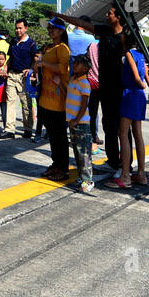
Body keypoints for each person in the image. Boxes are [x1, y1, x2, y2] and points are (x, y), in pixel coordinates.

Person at [111, 43, 149, 188]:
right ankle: (141, 174)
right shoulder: (141, 55)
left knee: (123, 133)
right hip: (139, 96)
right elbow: (147, 75)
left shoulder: (129, 54)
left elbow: (137, 77)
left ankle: (125, 176)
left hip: (130, 93)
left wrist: (141, 85)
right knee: (138, 134)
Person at [36, 18, 71, 181]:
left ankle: (62, 168)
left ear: (61, 31)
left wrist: (43, 64)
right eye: (49, 28)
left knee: (60, 137)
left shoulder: (62, 48)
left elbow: (63, 68)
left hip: (58, 100)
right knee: (53, 135)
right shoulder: (49, 47)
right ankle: (56, 164)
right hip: (45, 98)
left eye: (53, 28)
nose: (50, 30)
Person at [98, 6, 128, 170]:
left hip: (120, 89)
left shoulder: (125, 38)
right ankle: (112, 160)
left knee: (123, 129)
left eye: (109, 13)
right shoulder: (104, 31)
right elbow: (82, 23)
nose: (106, 14)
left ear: (118, 17)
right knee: (108, 124)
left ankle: (126, 164)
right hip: (105, 87)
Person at [2, 18, 37, 139]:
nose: (18, 30)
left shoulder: (31, 43)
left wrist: (31, 70)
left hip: (24, 77)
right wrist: (6, 68)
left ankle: (28, 129)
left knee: (26, 104)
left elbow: (35, 59)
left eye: (20, 28)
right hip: (12, 75)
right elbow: (10, 58)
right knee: (10, 102)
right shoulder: (12, 42)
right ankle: (9, 130)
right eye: (16, 28)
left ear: (26, 28)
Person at [66, 52, 94, 194]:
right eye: (74, 63)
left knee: (84, 153)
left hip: (81, 122)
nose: (75, 65)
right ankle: (81, 177)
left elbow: (84, 104)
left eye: (78, 63)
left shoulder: (84, 83)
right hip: (72, 122)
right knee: (77, 152)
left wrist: (77, 119)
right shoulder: (73, 79)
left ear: (86, 67)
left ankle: (88, 180)